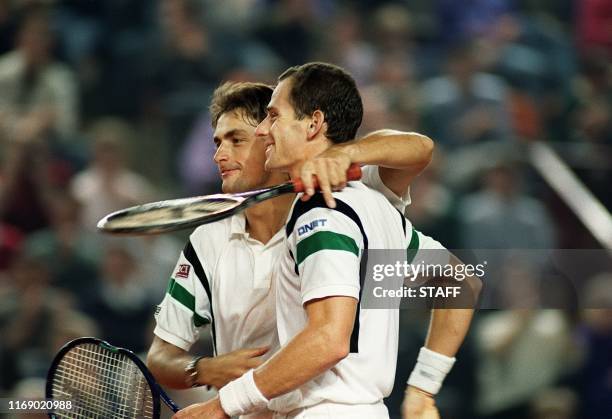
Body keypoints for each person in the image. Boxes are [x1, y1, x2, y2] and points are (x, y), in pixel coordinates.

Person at [173, 64, 479, 419]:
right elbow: (461, 281)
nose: (263, 130)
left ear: (314, 123)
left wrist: (223, 405)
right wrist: (424, 387)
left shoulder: (320, 209)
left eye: (274, 116)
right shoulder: (372, 203)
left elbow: (329, 339)